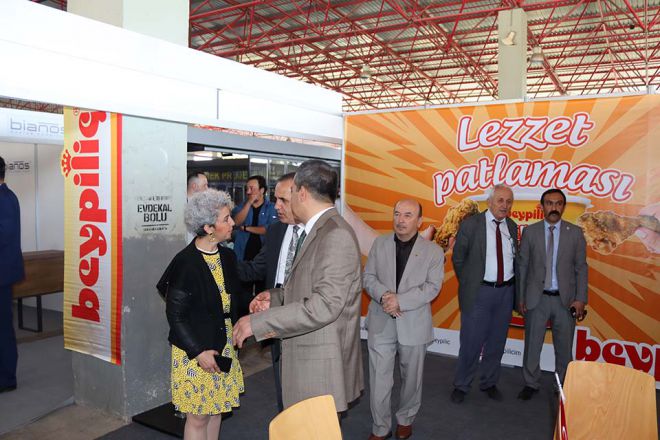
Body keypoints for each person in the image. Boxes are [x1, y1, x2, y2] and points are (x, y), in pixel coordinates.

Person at [233, 160, 364, 414]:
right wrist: (274, 297)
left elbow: (325, 305)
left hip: (319, 368)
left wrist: (258, 323)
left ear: (301, 192)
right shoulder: (318, 230)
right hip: (307, 360)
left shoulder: (334, 234)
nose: (282, 203)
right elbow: (306, 287)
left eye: (290, 193)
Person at [157, 189, 245, 440]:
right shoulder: (185, 262)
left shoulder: (227, 256)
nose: (233, 223)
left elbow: (234, 298)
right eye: (226, 218)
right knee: (198, 417)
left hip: (223, 343)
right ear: (208, 228)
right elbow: (175, 316)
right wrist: (197, 351)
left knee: (216, 409)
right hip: (194, 349)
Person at [364, 199, 444, 440]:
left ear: (419, 221)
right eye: (397, 214)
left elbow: (432, 287)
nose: (400, 220)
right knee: (379, 378)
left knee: (412, 379)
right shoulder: (379, 243)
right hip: (381, 319)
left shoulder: (433, 251)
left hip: (414, 323)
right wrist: (384, 296)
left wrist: (400, 300)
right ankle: (380, 427)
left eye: (408, 215)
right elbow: (368, 277)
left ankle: (406, 418)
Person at [236, 172, 300, 412]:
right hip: (274, 320)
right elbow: (255, 269)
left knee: (307, 395)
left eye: (283, 200)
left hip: (305, 324)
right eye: (275, 200)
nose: (276, 206)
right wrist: (219, 260)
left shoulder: (318, 236)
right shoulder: (275, 231)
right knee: (282, 385)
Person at [517, 188, 588, 400]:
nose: (554, 207)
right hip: (536, 299)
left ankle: (562, 384)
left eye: (558, 203)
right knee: (532, 345)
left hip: (565, 301)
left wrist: (580, 299)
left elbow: (581, 268)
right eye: (549, 203)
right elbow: (523, 266)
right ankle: (531, 383)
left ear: (563, 207)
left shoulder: (575, 233)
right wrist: (520, 298)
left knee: (564, 347)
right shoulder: (530, 232)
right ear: (542, 207)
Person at [450, 184, 518, 404]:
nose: (504, 205)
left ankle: (489, 382)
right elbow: (458, 258)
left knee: (497, 342)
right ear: (489, 202)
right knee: (471, 342)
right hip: (479, 293)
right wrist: (471, 283)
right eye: (500, 200)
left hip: (505, 293)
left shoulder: (512, 226)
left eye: (509, 201)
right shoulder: (471, 224)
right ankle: (462, 384)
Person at [232, 175, 277, 316]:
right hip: (243, 257)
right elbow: (236, 222)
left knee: (262, 295)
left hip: (262, 260)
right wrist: (249, 203)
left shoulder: (272, 208)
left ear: (262, 190)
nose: (248, 192)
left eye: (252, 188)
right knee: (242, 295)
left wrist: (246, 228)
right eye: (247, 189)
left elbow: (268, 230)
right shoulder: (242, 207)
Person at [0, 156, 24, 394]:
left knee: (2, 327)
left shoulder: (4, 199)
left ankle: (6, 378)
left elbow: (4, 235)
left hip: (2, 274)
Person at [186, 172, 209, 244]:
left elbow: (209, 230)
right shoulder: (179, 205)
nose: (207, 189)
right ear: (194, 186)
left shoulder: (205, 206)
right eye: (204, 185)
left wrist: (213, 240)